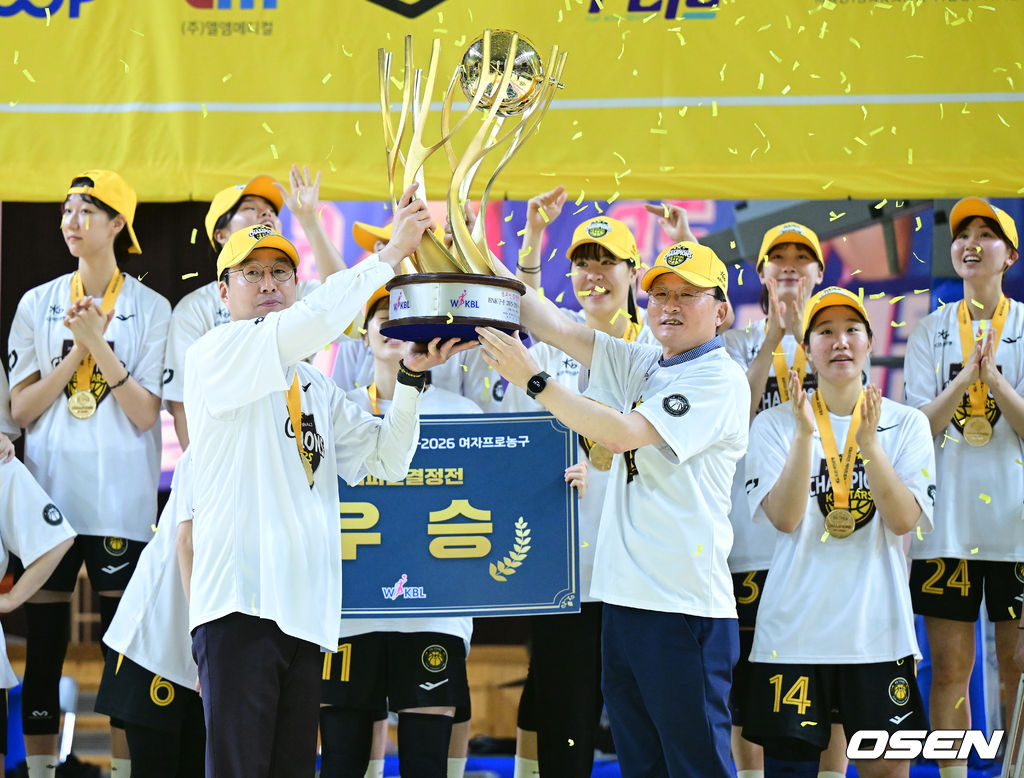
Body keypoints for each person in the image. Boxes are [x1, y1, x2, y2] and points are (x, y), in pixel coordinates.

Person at [180, 185, 475, 777]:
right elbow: (315, 322)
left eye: (280, 272)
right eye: (251, 273)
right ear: (222, 291)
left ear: (296, 283)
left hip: (305, 616)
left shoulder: (313, 385)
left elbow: (386, 461)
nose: (268, 283)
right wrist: (389, 255)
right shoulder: (217, 352)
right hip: (241, 609)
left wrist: (410, 381)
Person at [477, 241, 748, 778]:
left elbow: (622, 434)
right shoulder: (646, 362)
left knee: (694, 766)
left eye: (687, 295)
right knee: (641, 764)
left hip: (682, 606)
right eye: (661, 294)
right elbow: (554, 324)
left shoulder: (717, 377)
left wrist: (535, 380)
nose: (669, 305)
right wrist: (477, 255)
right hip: (624, 603)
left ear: (721, 310)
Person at [8, 169, 171, 778]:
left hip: (121, 504)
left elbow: (144, 413)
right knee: (44, 649)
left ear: (117, 222)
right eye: (66, 210)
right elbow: (21, 411)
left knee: (120, 654)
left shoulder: (151, 309)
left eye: (86, 211)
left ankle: (124, 771)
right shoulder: (38, 302)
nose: (71, 222)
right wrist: (77, 349)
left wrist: (97, 343)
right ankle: (41, 772)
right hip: (47, 502)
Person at [320, 286, 488, 778]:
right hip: (349, 614)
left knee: (425, 765)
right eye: (382, 316)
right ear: (363, 334)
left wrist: (562, 477)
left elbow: (499, 494)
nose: (393, 326)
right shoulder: (334, 411)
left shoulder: (463, 414)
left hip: (434, 615)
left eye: (405, 318)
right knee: (342, 764)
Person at [505, 210, 647, 778]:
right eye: (583, 264)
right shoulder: (552, 352)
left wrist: (608, 470)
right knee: (566, 729)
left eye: (607, 262)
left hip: (645, 578)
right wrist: (533, 242)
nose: (594, 275)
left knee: (648, 731)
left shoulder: (657, 351)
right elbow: (526, 312)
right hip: (570, 577)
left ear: (633, 272)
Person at [722, 223, 848, 778]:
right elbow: (734, 421)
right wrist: (775, 338)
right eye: (780, 257)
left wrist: (807, 338)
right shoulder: (734, 344)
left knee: (829, 674)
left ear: (819, 272)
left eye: (803, 256)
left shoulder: (841, 341)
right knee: (747, 680)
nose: (791, 265)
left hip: (825, 537)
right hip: (750, 540)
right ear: (762, 273)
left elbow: (847, 415)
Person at [903, 198, 1024, 778]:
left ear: (1010, 255)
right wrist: (963, 384)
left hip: (1016, 526)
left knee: (1018, 665)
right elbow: (915, 429)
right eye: (962, 235)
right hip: (947, 527)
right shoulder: (930, 330)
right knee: (952, 668)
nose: (971, 244)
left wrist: (994, 379)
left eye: (986, 234)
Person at [164, 164, 344, 448]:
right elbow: (181, 403)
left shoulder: (295, 291)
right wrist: (198, 466)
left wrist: (310, 221)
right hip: (230, 446)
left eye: (271, 210)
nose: (266, 214)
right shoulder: (195, 308)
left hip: (295, 435)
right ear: (221, 234)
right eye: (250, 207)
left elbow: (344, 303)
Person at [94, 448, 204, 777]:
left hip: (200, 656)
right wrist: (207, 643)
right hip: (156, 646)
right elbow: (186, 544)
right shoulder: (205, 451)